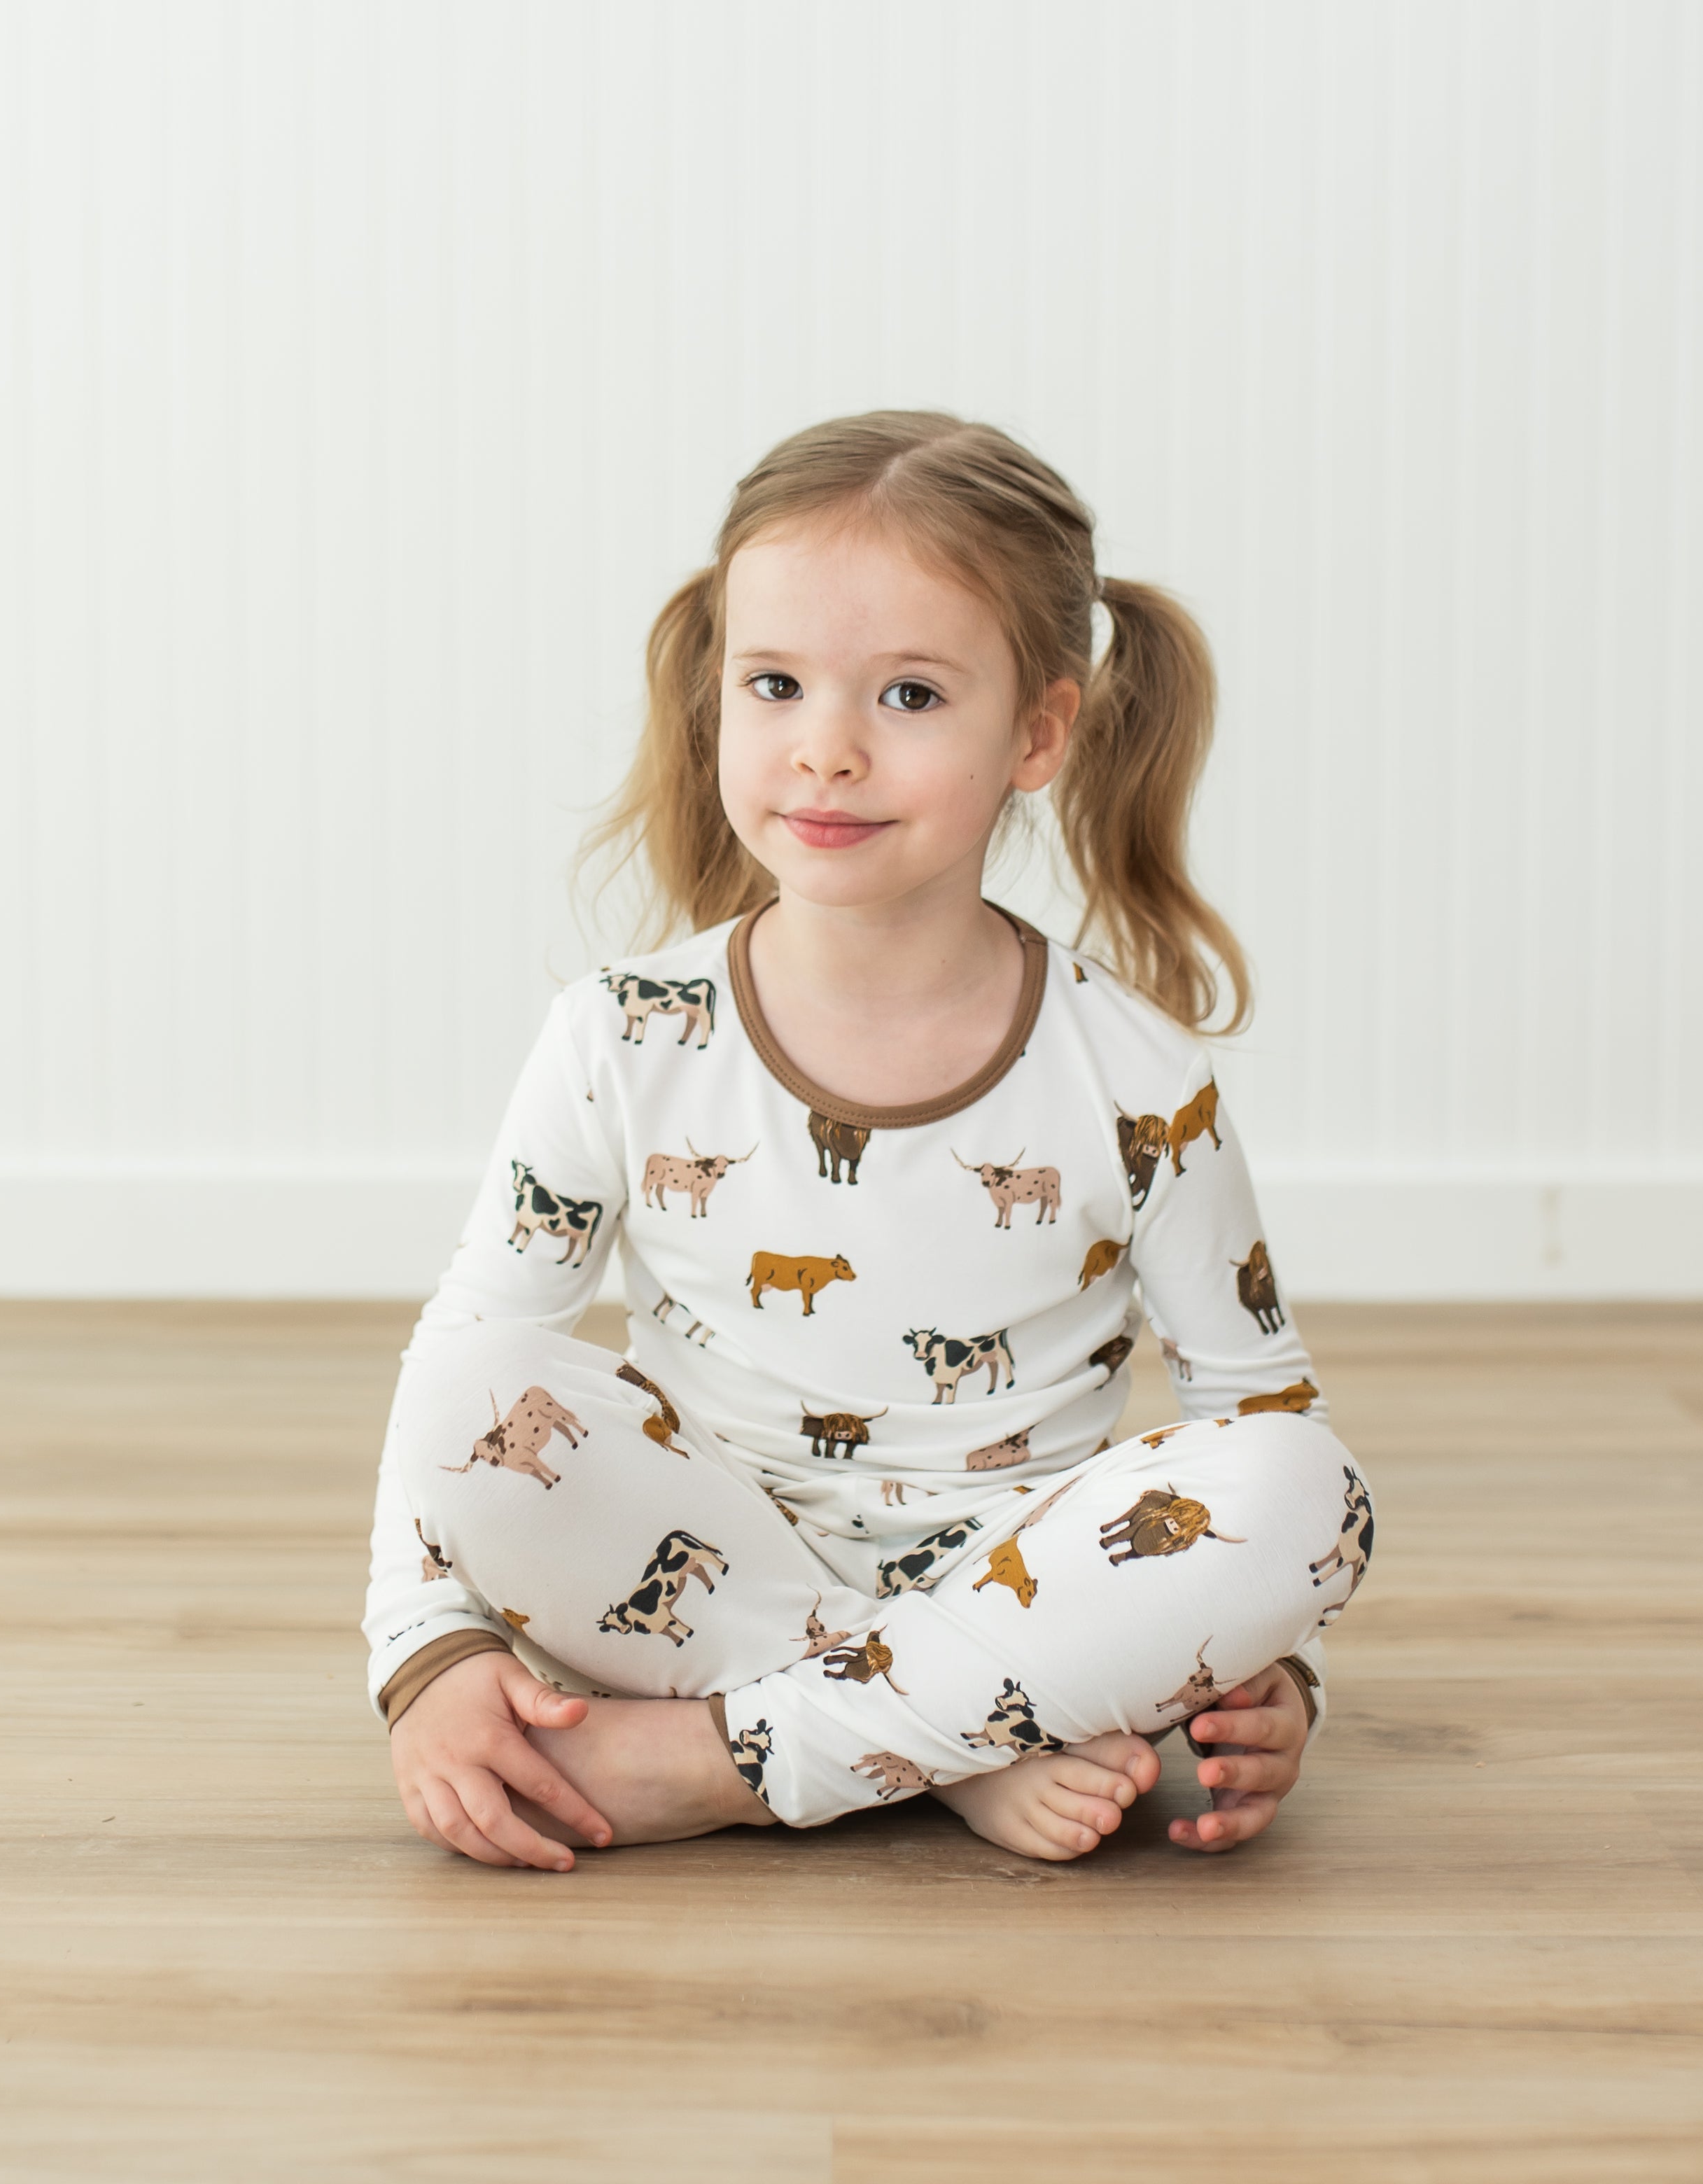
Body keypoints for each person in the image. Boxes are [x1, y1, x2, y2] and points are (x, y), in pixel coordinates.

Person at [362, 410, 1375, 1871]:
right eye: (775, 685)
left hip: (1022, 1591)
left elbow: (1254, 1409)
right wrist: (432, 1660)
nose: (825, 751)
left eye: (908, 695)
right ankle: (952, 1739)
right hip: (708, 1582)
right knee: (466, 1384)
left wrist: (1279, 1684)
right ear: (718, 697)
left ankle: (728, 1760)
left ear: (1040, 732)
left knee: (1311, 1492)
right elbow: (458, 1381)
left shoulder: (1139, 1076)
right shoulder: (620, 1034)